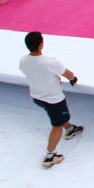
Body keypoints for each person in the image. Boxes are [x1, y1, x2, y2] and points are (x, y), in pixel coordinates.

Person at [18, 31, 84, 168]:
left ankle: (70, 128)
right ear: (41, 44)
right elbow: (68, 74)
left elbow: (32, 72)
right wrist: (73, 79)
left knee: (57, 116)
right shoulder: (49, 62)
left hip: (37, 97)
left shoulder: (23, 61)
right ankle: (50, 155)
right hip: (54, 99)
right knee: (57, 125)